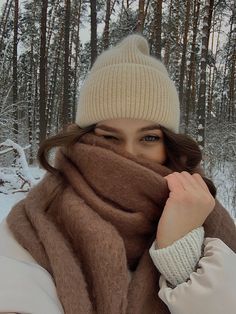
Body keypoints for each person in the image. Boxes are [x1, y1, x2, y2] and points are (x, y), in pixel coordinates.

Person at [0, 34, 235, 314]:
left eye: (148, 138)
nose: (129, 154)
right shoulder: (33, 224)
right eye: (110, 138)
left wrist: (182, 254)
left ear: (168, 145)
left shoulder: (204, 213)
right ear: (84, 138)